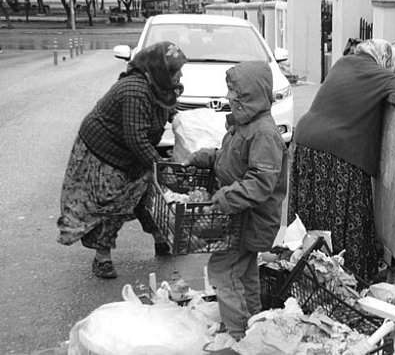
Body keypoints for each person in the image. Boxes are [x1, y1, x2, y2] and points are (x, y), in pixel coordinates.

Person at [56, 41, 187, 279]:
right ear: (159, 71)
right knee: (110, 202)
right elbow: (136, 138)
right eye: (174, 70)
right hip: (104, 151)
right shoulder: (134, 90)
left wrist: (180, 121)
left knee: (149, 192)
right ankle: (102, 258)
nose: (179, 75)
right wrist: (160, 165)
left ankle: (161, 240)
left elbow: (166, 107)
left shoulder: (162, 85)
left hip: (130, 149)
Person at [182, 61, 288, 340]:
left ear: (252, 97)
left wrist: (226, 197)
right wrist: (209, 156)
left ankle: (239, 335)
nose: (230, 98)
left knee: (225, 271)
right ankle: (253, 327)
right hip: (239, 217)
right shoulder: (245, 125)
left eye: (237, 94)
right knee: (244, 275)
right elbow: (233, 160)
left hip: (249, 218)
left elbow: (261, 181)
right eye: (231, 92)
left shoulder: (263, 132)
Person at [287, 39, 395, 283]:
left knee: (312, 217)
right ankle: (346, 277)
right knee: (348, 214)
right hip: (337, 149)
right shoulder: (378, 73)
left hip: (306, 141)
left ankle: (307, 273)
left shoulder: (343, 64)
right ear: (383, 58)